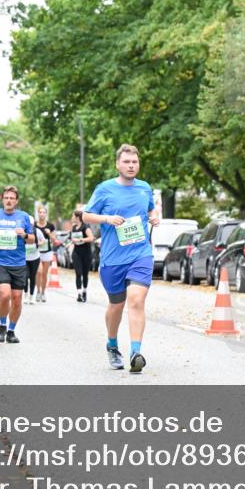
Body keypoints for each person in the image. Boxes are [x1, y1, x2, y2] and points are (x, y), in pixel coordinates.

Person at [82, 144, 160, 373]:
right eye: (126, 162)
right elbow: (86, 215)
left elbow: (151, 210)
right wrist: (107, 219)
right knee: (116, 305)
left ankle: (136, 352)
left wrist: (154, 218)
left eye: (134, 162)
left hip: (140, 254)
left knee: (136, 300)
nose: (131, 165)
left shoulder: (145, 188)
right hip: (113, 258)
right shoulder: (105, 189)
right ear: (118, 164)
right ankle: (112, 345)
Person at [0, 185, 35, 344]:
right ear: (2, 200)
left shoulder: (23, 217)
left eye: (12, 198)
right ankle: (2, 326)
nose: (9, 201)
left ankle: (11, 331)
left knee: (17, 299)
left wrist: (24, 234)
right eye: (6, 198)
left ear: (16, 201)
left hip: (18, 262)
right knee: (5, 295)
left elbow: (32, 239)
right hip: (0, 261)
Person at [33, 205, 58, 303]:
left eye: (44, 212)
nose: (42, 214)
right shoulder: (34, 225)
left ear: (46, 214)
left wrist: (49, 233)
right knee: (38, 272)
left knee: (44, 273)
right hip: (37, 251)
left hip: (47, 251)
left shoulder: (50, 226)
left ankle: (43, 293)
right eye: (40, 212)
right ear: (38, 214)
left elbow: (54, 240)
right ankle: (38, 291)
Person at [70, 210, 95, 302]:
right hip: (76, 253)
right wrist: (71, 242)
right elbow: (72, 239)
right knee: (78, 273)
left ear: (77, 217)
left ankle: (84, 291)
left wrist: (80, 240)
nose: (72, 218)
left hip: (86, 253)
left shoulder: (85, 227)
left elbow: (91, 238)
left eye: (73, 216)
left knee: (85, 274)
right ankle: (79, 294)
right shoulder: (73, 228)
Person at [24, 220, 42, 305]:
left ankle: (31, 296)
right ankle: (25, 295)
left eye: (31, 224)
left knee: (32, 277)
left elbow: (43, 240)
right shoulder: (23, 231)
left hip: (35, 258)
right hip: (24, 258)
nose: (30, 225)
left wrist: (39, 243)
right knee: (25, 276)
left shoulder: (37, 231)